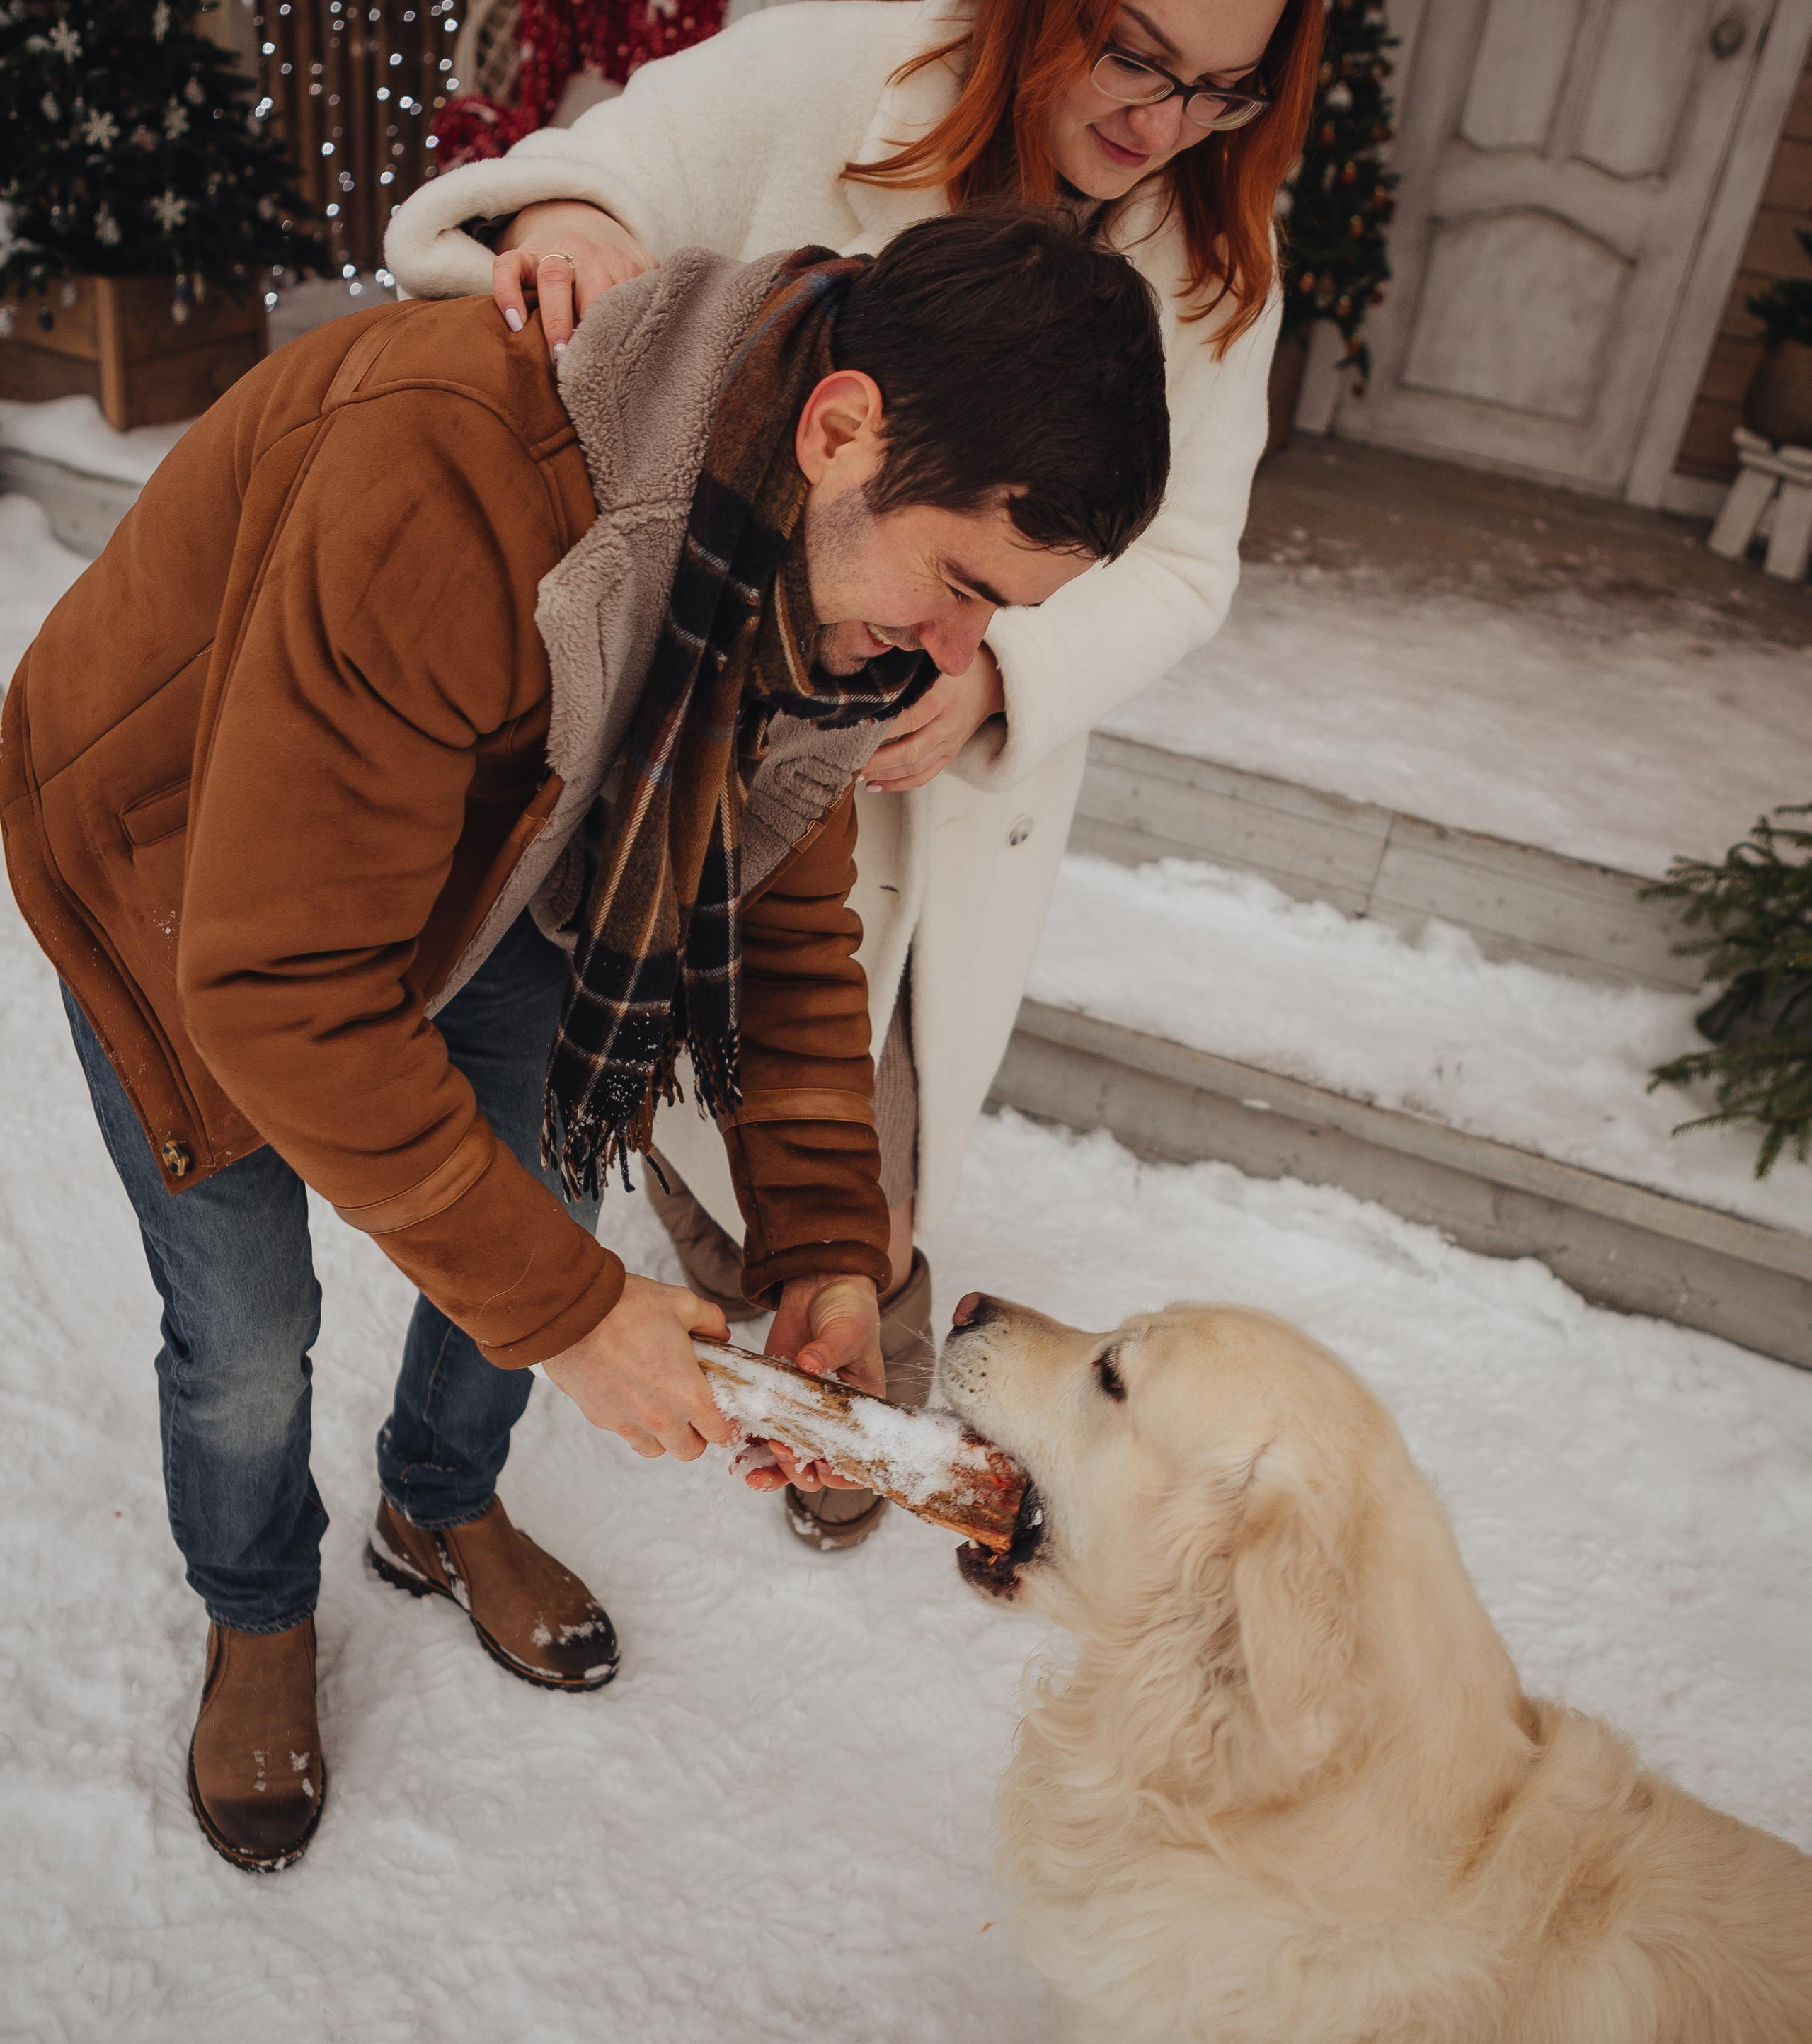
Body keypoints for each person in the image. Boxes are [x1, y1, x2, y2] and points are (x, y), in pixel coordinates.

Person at [0, 207, 1169, 1874]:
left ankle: (437, 1501)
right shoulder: (442, 478)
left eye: (1003, 618)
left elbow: (783, 922)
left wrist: (825, 1249)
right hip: (189, 885)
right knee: (249, 1330)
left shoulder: (810, 608)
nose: (954, 659)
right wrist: (568, 1319)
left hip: (503, 850)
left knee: (545, 1208)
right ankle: (257, 1607)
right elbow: (279, 986)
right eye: (961, 586)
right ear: (840, 430)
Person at [384, 0, 1325, 1551]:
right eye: (1132, 51)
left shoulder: (1218, 261)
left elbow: (1186, 561)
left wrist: (1000, 670)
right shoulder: (832, 78)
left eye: (1218, 86)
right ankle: (511, 1448)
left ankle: (827, 1365)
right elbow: (590, 179)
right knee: (583, 1105)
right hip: (685, 738)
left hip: (930, 791)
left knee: (854, 1108)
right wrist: (573, 214)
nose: (1158, 120)